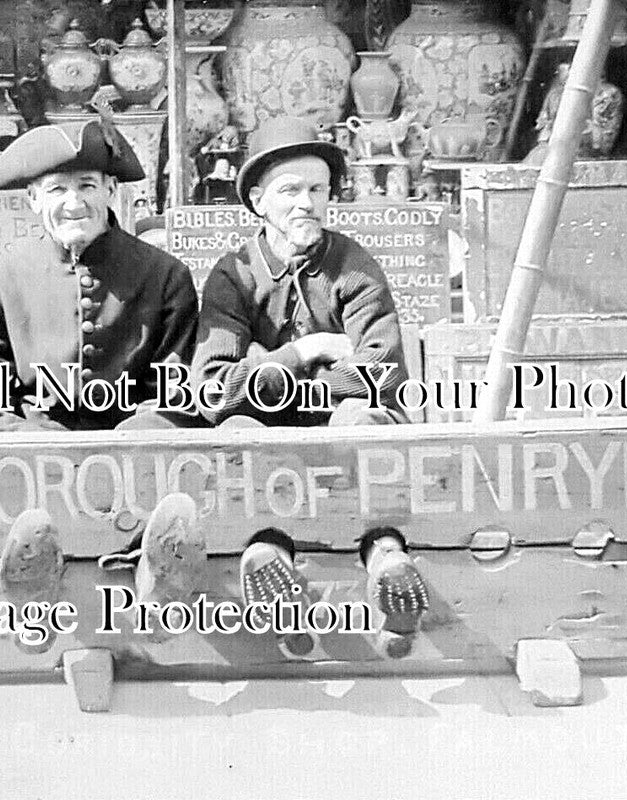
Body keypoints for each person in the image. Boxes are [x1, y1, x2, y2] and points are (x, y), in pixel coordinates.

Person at [0, 117, 204, 652]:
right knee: (29, 517)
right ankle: (35, 598)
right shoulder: (3, 279)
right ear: (33, 199)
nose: (74, 203)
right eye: (57, 190)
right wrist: (47, 453)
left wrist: (115, 455)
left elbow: (178, 395)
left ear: (111, 191)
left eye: (87, 186)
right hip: (33, 462)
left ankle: (154, 589)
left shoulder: (164, 276)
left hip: (136, 462)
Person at [192, 116, 427, 657]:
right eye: (290, 190)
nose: (307, 204)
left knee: (360, 420)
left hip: (348, 439)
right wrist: (306, 351)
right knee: (240, 432)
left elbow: (382, 372)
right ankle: (272, 571)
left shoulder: (352, 265)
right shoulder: (233, 276)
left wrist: (265, 374)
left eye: (318, 190)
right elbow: (213, 391)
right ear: (257, 201)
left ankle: (387, 563)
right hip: (270, 442)